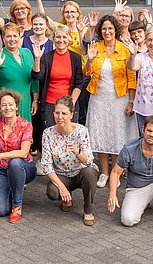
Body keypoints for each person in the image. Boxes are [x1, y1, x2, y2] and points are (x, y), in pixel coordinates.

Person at [84, 15, 138, 189]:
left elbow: (131, 76)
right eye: (104, 29)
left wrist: (131, 101)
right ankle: (104, 172)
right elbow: (86, 72)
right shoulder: (95, 47)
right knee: (100, 133)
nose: (107, 32)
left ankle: (115, 171)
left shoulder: (124, 49)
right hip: (98, 97)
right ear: (100, 31)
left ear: (116, 30)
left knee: (116, 134)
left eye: (110, 28)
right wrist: (90, 59)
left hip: (119, 97)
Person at [0, 90, 36, 222]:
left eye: (10, 104)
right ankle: (13, 186)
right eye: (3, 105)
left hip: (25, 167)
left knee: (15, 162)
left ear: (16, 106)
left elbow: (24, 152)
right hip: (4, 170)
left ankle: (17, 205)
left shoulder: (25, 125)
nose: (7, 108)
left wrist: (0, 156)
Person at [32, 26, 86, 172]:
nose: (61, 40)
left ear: (69, 39)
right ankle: (49, 165)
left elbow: (79, 82)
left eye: (64, 37)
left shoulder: (75, 58)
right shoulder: (47, 57)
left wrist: (72, 102)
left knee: (69, 135)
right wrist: (37, 59)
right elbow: (37, 76)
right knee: (51, 135)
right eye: (58, 37)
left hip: (69, 103)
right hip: (50, 103)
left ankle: (70, 167)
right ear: (53, 39)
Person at [42, 96, 98, 226]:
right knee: (52, 192)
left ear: (71, 114)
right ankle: (67, 198)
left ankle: (88, 210)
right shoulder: (48, 133)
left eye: (64, 113)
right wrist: (62, 188)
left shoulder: (81, 131)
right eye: (57, 113)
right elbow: (46, 165)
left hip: (80, 171)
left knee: (90, 172)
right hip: (62, 174)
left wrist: (78, 152)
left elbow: (89, 160)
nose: (60, 117)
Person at [0, 23, 38, 123]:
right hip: (6, 105)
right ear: (3, 38)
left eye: (15, 36)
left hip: (25, 102)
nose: (12, 39)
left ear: (19, 36)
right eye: (8, 36)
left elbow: (34, 79)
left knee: (24, 135)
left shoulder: (27, 53)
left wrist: (35, 100)